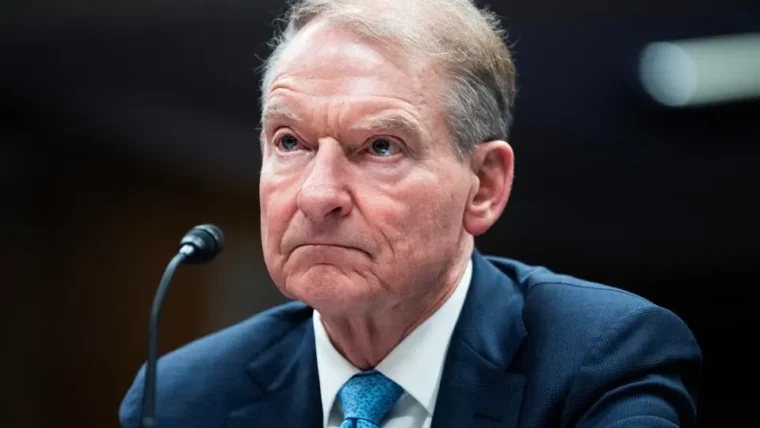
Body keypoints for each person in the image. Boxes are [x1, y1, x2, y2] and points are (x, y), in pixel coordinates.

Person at [119, 0, 702, 427]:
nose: (317, 196)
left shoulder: (600, 360)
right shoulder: (181, 400)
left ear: (484, 186)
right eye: (290, 142)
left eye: (380, 147)